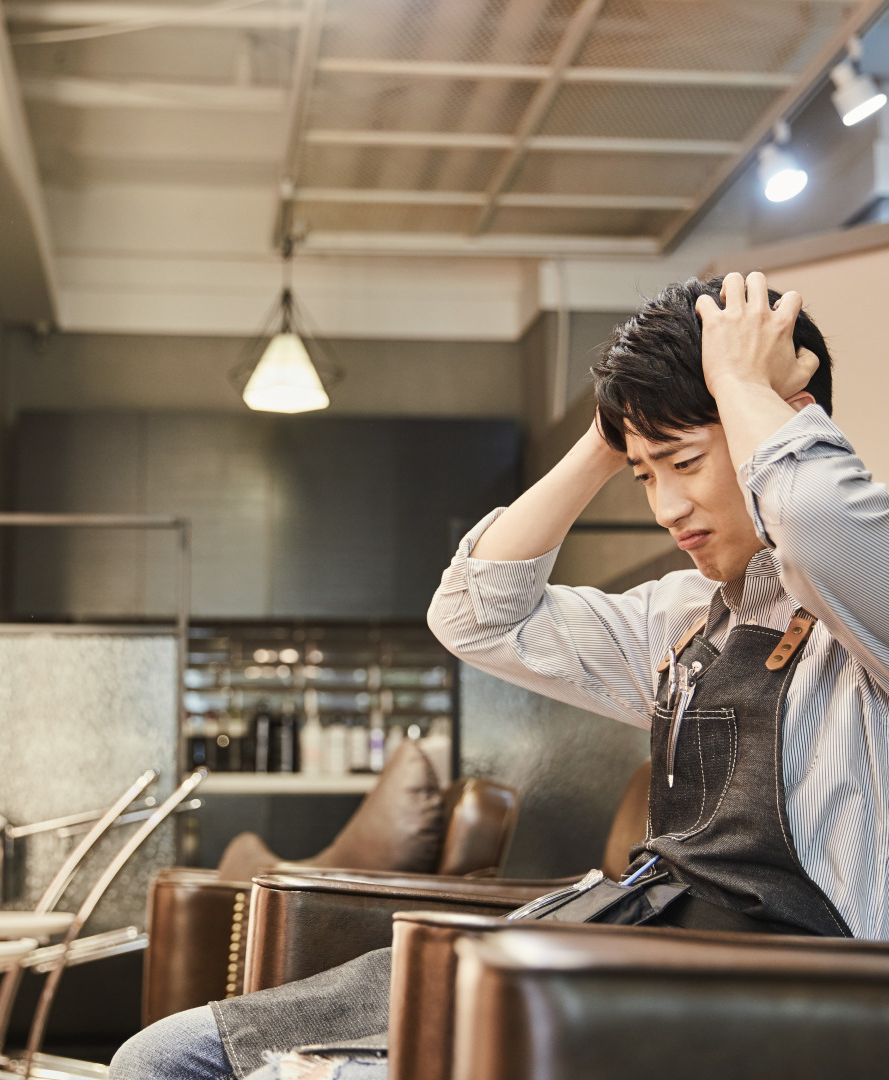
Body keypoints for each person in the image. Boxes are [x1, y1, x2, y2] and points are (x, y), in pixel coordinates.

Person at [110, 272, 889, 1080]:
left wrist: (744, 386)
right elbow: (476, 614)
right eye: (644, 474)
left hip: (749, 1014)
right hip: (616, 961)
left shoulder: (863, 614)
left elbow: (821, 531)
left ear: (781, 427)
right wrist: (608, 434)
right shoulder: (684, 618)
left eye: (684, 461)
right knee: (163, 1057)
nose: (665, 508)